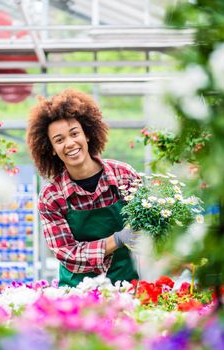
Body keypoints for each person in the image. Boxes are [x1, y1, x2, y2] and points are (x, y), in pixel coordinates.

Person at [26, 88, 141, 287]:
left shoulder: (123, 175)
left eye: (74, 133)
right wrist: (118, 239)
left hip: (126, 287)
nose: (70, 143)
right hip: (76, 294)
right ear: (51, 150)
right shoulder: (51, 196)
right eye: (59, 140)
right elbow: (67, 254)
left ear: (87, 134)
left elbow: (146, 228)